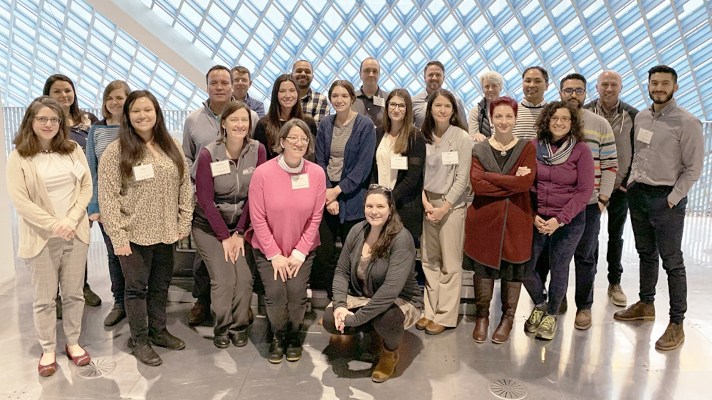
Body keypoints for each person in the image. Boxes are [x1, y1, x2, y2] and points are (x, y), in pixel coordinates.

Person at [99, 90, 193, 366]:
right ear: (127, 115)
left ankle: (159, 331)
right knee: (136, 289)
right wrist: (117, 236)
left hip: (166, 232)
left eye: (148, 110)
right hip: (133, 235)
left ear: (156, 113)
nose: (142, 116)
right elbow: (108, 197)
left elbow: (184, 185)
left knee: (160, 286)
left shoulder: (170, 145)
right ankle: (139, 340)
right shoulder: (116, 151)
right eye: (136, 111)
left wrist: (183, 221)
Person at [613, 65, 704, 351]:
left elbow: (693, 169)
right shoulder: (641, 117)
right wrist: (631, 184)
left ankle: (677, 324)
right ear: (648, 86)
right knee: (645, 254)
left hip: (667, 199)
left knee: (672, 261)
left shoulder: (687, 123)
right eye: (654, 83)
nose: (659, 88)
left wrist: (672, 199)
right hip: (639, 195)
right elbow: (639, 154)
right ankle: (646, 304)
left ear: (675, 87)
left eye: (665, 83)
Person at [7, 96, 93, 377]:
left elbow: (86, 187)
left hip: (75, 233)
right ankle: (47, 348)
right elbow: (20, 201)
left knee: (73, 294)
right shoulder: (19, 156)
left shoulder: (71, 150)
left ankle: (73, 342)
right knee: (44, 298)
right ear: (30, 122)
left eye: (54, 119)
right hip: (41, 237)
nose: (48, 124)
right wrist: (56, 225)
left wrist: (70, 221)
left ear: (61, 123)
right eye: (42, 119)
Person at [323, 185, 423, 383]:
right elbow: (342, 271)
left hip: (397, 299)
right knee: (328, 320)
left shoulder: (401, 238)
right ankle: (371, 332)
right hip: (362, 295)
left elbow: (390, 291)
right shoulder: (357, 231)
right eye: (369, 206)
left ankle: (389, 353)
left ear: (390, 208)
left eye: (380, 206)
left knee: (388, 319)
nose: (374, 211)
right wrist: (340, 307)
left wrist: (355, 319)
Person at [182, 65, 257, 326]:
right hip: (207, 207)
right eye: (214, 82)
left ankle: (240, 311)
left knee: (242, 274)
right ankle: (205, 304)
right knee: (210, 267)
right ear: (207, 86)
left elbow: (252, 174)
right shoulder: (193, 120)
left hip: (239, 215)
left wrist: (238, 231)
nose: (220, 87)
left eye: (225, 82)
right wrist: (196, 189)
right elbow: (187, 157)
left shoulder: (250, 121)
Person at [248, 119, 326, 363]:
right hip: (268, 250)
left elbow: (316, 217)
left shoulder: (316, 173)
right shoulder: (263, 173)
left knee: (296, 293)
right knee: (275, 294)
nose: (299, 142)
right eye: (292, 138)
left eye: (303, 138)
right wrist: (274, 255)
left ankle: (293, 336)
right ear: (281, 142)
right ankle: (277, 336)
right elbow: (257, 217)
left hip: (301, 250)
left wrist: (299, 254)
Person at [193, 101, 266, 349]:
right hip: (209, 227)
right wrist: (225, 236)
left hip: (242, 226)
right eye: (234, 119)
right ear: (223, 123)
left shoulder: (258, 151)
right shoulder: (208, 154)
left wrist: (240, 232)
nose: (240, 125)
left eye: (244, 120)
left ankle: (239, 326)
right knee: (223, 279)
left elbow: (256, 195)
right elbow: (204, 200)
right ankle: (222, 327)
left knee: (244, 278)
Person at [464, 97, 536, 344]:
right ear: (491, 119)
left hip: (517, 219)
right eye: (498, 116)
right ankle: (482, 317)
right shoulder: (480, 148)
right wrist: (512, 182)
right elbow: (477, 185)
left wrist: (491, 176)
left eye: (508, 116)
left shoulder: (527, 148)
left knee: (513, 270)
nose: (503, 121)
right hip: (484, 219)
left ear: (516, 119)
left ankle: (507, 319)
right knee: (482, 269)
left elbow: (526, 183)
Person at [521, 101, 594, 341]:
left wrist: (559, 220)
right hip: (537, 218)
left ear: (572, 123)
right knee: (526, 267)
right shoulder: (534, 147)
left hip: (568, 221)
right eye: (554, 118)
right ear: (547, 121)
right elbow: (526, 185)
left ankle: (552, 314)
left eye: (565, 119)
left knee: (559, 267)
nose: (559, 123)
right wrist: (533, 217)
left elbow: (584, 191)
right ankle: (540, 303)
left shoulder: (581, 150)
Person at [559, 73, 618, 331]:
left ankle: (584, 306)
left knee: (585, 257)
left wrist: (602, 199)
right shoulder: (553, 121)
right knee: (557, 256)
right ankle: (557, 298)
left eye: (578, 90)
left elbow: (610, 164)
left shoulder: (599, 124)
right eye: (568, 90)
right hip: (558, 203)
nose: (573, 95)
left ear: (585, 93)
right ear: (560, 93)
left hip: (590, 204)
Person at [415, 89, 472, 335]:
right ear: (430, 109)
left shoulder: (461, 137)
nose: (442, 110)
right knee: (428, 260)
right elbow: (417, 174)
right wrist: (426, 204)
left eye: (447, 106)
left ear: (453, 110)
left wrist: (444, 207)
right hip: (427, 204)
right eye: (437, 105)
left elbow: (462, 178)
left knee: (450, 262)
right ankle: (430, 311)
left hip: (452, 206)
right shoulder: (422, 136)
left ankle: (446, 315)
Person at [43, 74, 101, 309]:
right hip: (53, 194)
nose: (64, 95)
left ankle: (80, 287)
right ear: (48, 94)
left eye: (67, 90)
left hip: (83, 192)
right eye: (57, 91)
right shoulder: (44, 121)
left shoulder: (90, 120)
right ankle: (54, 295)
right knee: (53, 244)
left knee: (79, 242)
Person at [314, 80, 377, 296]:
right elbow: (320, 161)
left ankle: (351, 299)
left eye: (344, 95)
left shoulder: (365, 126)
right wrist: (328, 194)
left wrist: (337, 191)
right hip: (327, 197)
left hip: (353, 199)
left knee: (353, 254)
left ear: (352, 98)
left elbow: (363, 167)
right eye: (335, 96)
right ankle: (335, 299)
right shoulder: (325, 124)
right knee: (325, 253)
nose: (339, 100)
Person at [583, 70, 639, 307]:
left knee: (616, 236)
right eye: (604, 84)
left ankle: (614, 283)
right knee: (590, 237)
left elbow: (639, 150)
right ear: (596, 88)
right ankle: (589, 283)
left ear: (621, 87)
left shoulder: (633, 115)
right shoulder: (584, 113)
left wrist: (628, 183)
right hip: (592, 188)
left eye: (613, 84)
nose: (608, 88)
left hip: (620, 188)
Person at [86, 80, 131, 326]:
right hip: (107, 206)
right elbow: (90, 170)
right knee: (114, 254)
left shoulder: (135, 127)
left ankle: (138, 299)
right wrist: (95, 207)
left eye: (120, 97)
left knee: (135, 254)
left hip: (136, 205)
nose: (115, 102)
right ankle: (119, 302)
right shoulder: (96, 130)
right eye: (110, 98)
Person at [372, 89, 426, 239]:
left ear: (407, 109)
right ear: (387, 106)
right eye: (393, 104)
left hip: (405, 207)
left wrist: (389, 199)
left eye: (401, 106)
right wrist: (377, 198)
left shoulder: (415, 136)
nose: (396, 109)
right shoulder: (378, 133)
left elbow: (413, 178)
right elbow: (372, 169)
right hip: (380, 207)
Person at [253, 74, 318, 160]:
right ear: (276, 94)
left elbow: (312, 156)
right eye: (282, 91)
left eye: (292, 90)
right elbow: (260, 158)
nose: (287, 95)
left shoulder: (309, 123)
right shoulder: (264, 124)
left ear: (297, 93)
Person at [412, 61, 467, 129]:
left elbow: (463, 128)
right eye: (430, 75)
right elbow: (407, 129)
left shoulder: (456, 101)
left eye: (438, 75)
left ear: (443, 78)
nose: (434, 78)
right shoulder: (413, 102)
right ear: (424, 78)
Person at [512, 66, 550, 141]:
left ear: (546, 86)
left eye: (537, 81)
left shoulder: (553, 112)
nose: (532, 85)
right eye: (528, 81)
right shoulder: (510, 110)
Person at [353, 58, 388, 131]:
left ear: (379, 75)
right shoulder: (350, 99)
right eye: (367, 71)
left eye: (375, 71)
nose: (371, 74)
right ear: (360, 74)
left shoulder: (389, 99)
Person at [467, 71, 504, 142]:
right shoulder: (475, 111)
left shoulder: (509, 110)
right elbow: (473, 137)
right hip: (484, 151)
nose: (490, 89)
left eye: (494, 86)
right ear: (482, 90)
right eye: (487, 86)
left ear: (500, 88)